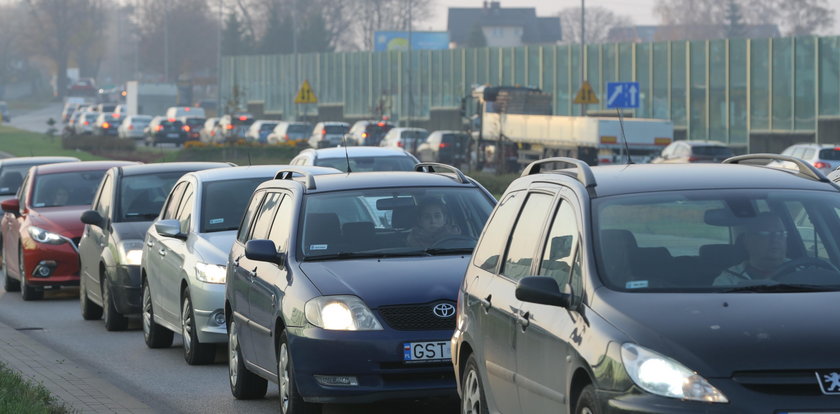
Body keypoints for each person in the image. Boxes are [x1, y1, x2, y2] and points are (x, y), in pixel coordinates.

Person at [713, 212, 788, 286]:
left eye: (781, 233)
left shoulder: (798, 271)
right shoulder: (728, 280)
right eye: (765, 233)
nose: (775, 239)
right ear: (747, 241)